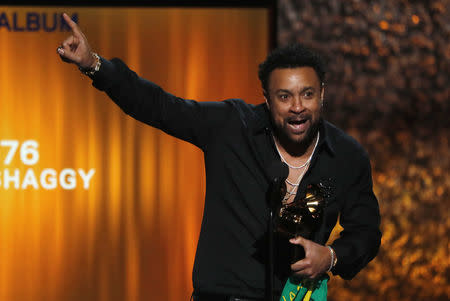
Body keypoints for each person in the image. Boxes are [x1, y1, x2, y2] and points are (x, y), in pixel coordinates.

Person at [57, 13, 381, 301]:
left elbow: (365, 233)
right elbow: (158, 106)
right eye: (284, 96)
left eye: (307, 94)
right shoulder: (231, 127)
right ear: (267, 100)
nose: (297, 106)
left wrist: (332, 256)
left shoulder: (346, 157)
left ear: (322, 93)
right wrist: (95, 65)